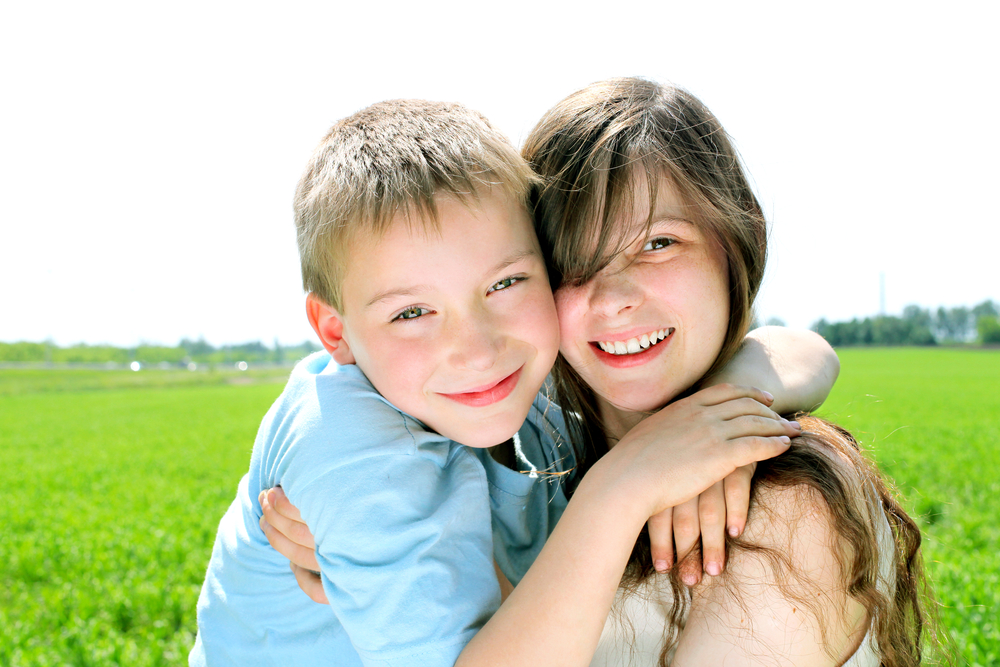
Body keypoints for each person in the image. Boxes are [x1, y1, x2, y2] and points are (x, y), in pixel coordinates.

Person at [263, 79, 932, 666]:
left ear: (740, 241)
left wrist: (653, 460)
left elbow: (799, 349)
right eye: (573, 260)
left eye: (659, 242)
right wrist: (375, 563)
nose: (614, 297)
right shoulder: (540, 455)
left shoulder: (777, 502)